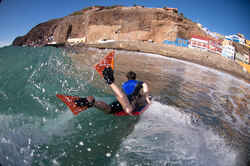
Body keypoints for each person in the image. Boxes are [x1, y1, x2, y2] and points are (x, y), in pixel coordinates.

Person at [75, 67, 151, 115]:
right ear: (135, 77)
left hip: (121, 99)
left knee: (108, 109)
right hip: (128, 99)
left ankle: (92, 103)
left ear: (127, 78)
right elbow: (144, 85)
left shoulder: (124, 84)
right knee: (128, 109)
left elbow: (122, 93)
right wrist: (147, 97)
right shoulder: (138, 83)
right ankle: (110, 81)